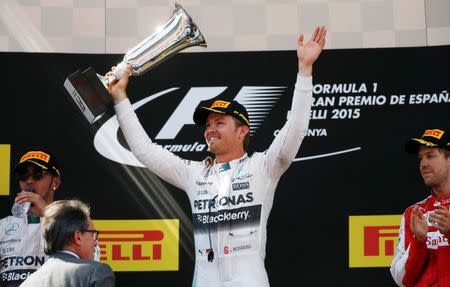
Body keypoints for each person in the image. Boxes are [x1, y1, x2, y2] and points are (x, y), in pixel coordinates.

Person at [107, 26, 326, 287]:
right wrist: (120, 98)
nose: (210, 129)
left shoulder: (263, 167)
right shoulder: (194, 173)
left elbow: (296, 129)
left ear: (243, 131)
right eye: (208, 124)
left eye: (220, 123)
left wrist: (305, 71)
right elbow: (144, 150)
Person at [391, 129, 450, 286]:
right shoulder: (414, 213)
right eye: (421, 158)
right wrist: (419, 242)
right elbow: (402, 280)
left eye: (430, 156)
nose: (423, 164)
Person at [0, 150, 62, 287]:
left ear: (55, 182)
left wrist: (48, 214)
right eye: (23, 175)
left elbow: (90, 260)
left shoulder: (72, 221)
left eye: (38, 174)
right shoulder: (3, 225)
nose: (29, 180)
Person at [19, 199, 114, 287]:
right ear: (78, 237)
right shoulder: (96, 272)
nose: (96, 242)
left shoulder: (28, 283)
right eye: (92, 234)